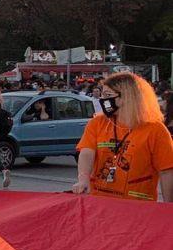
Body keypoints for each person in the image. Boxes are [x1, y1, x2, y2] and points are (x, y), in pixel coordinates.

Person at [73, 72, 173, 202]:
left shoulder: (155, 130)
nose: (103, 99)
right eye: (102, 94)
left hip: (137, 206)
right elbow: (87, 152)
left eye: (108, 95)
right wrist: (83, 179)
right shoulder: (97, 123)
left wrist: (169, 206)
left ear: (127, 97)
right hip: (99, 201)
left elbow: (166, 171)